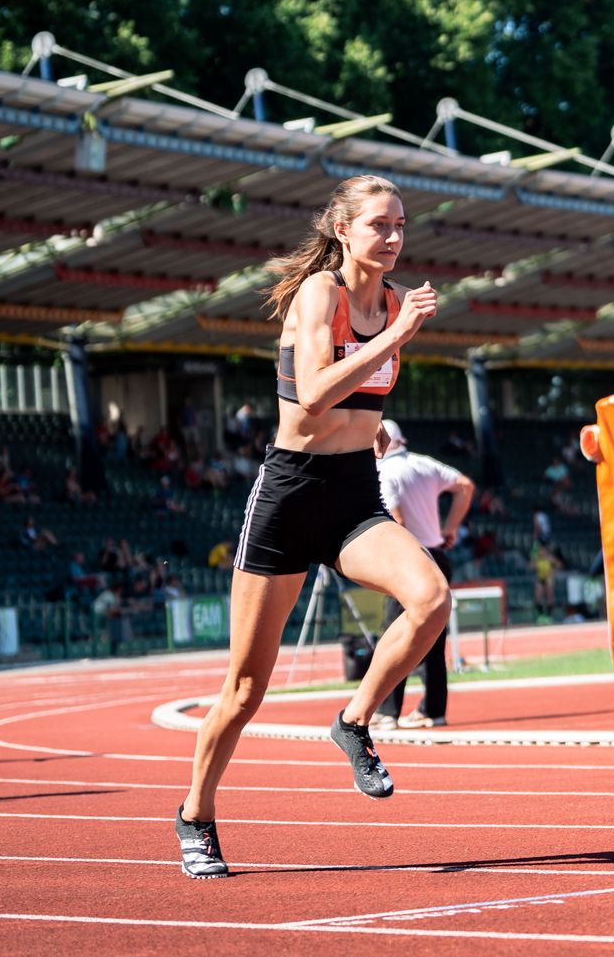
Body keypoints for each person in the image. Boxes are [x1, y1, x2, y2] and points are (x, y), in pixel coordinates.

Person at [175, 175, 447, 881]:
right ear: (344, 231)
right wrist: (396, 334)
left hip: (354, 491)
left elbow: (359, 397)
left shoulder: (389, 303)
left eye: (401, 226)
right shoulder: (322, 295)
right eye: (379, 225)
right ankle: (196, 815)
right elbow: (311, 403)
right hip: (292, 494)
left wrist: (377, 424)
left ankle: (355, 720)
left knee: (431, 598)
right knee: (244, 691)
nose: (392, 237)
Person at [370, 419, 473, 732]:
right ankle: (434, 710)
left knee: (394, 636)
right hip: (437, 554)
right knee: (433, 637)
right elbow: (465, 486)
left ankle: (389, 711)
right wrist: (450, 528)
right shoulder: (424, 464)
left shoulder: (385, 473)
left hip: (410, 560)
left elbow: (396, 521)